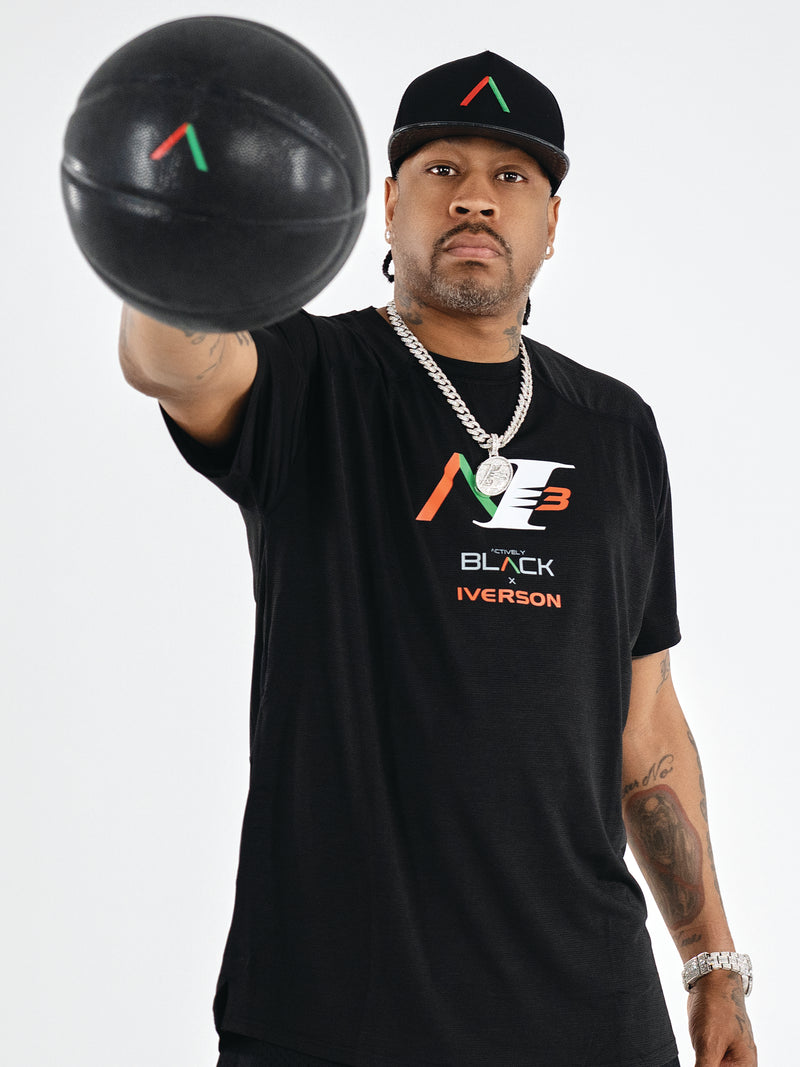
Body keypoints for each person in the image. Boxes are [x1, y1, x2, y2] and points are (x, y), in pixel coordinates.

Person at [118, 51, 756, 1067]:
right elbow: (171, 361)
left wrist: (710, 962)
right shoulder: (308, 377)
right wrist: (170, 227)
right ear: (388, 205)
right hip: (333, 1009)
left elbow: (645, 727)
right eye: (442, 169)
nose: (474, 197)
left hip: (586, 1011)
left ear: (552, 221)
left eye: (511, 176)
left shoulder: (614, 428)